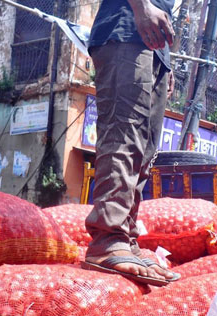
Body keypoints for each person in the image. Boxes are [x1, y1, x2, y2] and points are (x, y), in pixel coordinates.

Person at [82, 0, 178, 285]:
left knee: (144, 151)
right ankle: (107, 238)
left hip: (153, 46)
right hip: (126, 28)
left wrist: (166, 62)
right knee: (123, 135)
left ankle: (125, 237)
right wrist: (141, 8)